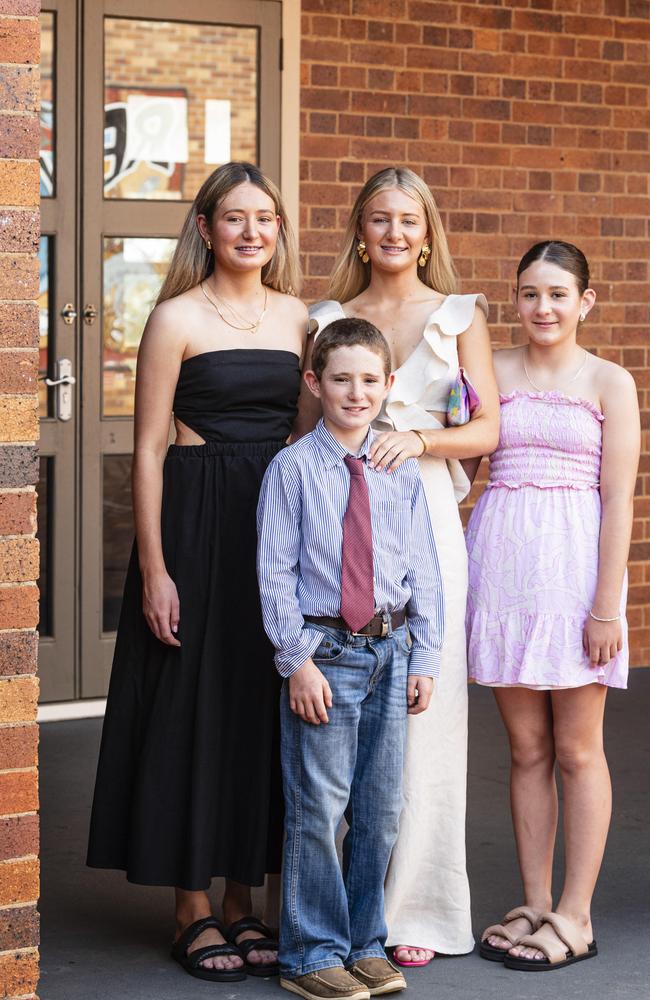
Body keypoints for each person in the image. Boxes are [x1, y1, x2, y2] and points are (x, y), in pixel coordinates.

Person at [87, 162, 311, 982]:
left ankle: (243, 898)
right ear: (207, 227)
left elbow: (315, 435)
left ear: (278, 231)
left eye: (266, 219)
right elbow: (145, 450)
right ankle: (190, 905)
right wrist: (153, 568)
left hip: (273, 522)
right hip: (193, 519)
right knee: (190, 704)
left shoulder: (299, 319)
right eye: (235, 218)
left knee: (259, 705)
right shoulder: (175, 317)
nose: (252, 232)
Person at [308, 168, 500, 965]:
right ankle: (338, 904)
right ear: (360, 227)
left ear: (429, 232)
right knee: (343, 713)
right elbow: (302, 431)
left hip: (423, 512)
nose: (394, 232)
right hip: (341, 519)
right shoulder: (325, 317)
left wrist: (419, 440)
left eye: (409, 220)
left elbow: (487, 430)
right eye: (380, 218)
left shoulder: (459, 317)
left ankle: (416, 906)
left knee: (427, 709)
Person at [257, 318, 445, 1000]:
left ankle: (365, 942)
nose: (355, 391)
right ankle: (310, 953)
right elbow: (275, 573)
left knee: (379, 807)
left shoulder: (399, 471)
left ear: (388, 385)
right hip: (326, 651)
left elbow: (422, 563)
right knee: (318, 804)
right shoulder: (293, 469)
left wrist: (424, 654)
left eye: (370, 379)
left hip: (391, 652)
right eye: (340, 378)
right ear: (315, 382)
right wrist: (296, 660)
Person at [466, 240, 639, 972]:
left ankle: (576, 915)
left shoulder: (610, 380)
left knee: (576, 749)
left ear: (585, 302)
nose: (543, 308)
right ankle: (534, 901)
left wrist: (608, 604)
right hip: (501, 571)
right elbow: (465, 457)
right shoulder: (492, 370)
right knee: (527, 749)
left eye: (558, 294)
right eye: (530, 293)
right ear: (515, 298)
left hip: (574, 578)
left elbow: (620, 496)